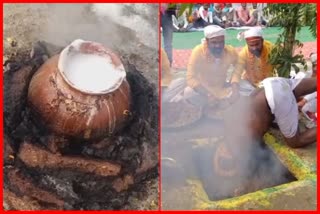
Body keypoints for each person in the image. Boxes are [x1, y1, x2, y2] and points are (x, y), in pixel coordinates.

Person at [231, 27, 275, 94]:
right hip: (250, 86)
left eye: (257, 44)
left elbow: (280, 68)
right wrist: (234, 92)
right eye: (251, 45)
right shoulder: (243, 54)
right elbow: (237, 73)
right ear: (247, 44)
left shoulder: (272, 49)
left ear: (262, 41)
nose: (255, 48)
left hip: (269, 84)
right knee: (236, 86)